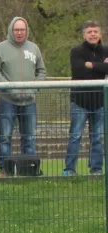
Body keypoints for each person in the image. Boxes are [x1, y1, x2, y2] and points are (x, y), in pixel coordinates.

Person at [0, 17, 46, 176]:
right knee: (5, 137)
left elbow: (41, 71)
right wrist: (8, 88)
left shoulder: (34, 48)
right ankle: (4, 170)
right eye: (16, 30)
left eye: (22, 30)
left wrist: (34, 88)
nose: (19, 33)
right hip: (7, 101)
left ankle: (28, 170)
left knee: (29, 137)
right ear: (11, 30)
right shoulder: (1, 48)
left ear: (26, 30)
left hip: (29, 102)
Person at [63, 20, 108, 176]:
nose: (93, 34)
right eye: (89, 32)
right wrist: (100, 66)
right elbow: (79, 70)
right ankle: (69, 169)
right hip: (80, 101)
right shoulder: (76, 51)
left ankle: (96, 169)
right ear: (84, 34)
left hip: (100, 101)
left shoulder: (106, 50)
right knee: (75, 136)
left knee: (97, 137)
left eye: (95, 31)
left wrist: (91, 65)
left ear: (100, 33)